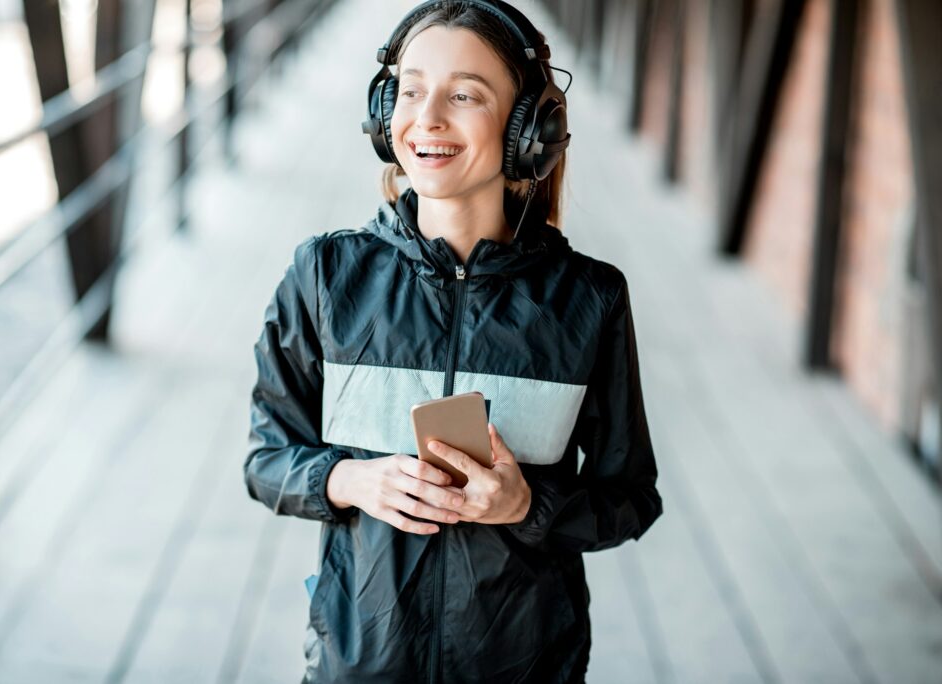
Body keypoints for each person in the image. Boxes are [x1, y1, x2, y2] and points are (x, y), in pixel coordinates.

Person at [244, 1, 663, 681]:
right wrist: (351, 479)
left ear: (530, 128)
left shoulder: (589, 300)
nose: (428, 115)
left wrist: (527, 505)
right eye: (411, 90)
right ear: (385, 116)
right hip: (360, 664)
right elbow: (266, 460)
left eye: (465, 93)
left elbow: (631, 497)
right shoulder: (325, 277)